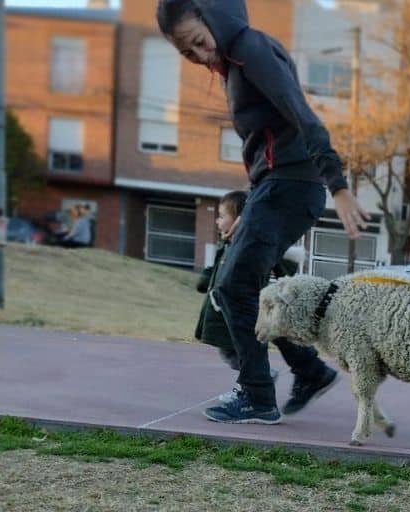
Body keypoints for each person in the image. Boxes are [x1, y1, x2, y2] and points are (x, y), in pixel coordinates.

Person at [157, 0, 369, 425]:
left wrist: (339, 186)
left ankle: (257, 396)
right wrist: (250, 208)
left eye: (199, 42)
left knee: (234, 287)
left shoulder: (250, 50)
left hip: (291, 186)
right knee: (249, 284)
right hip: (275, 188)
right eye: (187, 53)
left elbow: (304, 117)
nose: (200, 57)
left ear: (213, 18)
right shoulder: (235, 63)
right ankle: (308, 371)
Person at [195, 191, 281, 398]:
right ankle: (255, 381)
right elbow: (215, 271)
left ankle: (256, 382)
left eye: (222, 216)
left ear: (239, 220)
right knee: (233, 354)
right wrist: (205, 280)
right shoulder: (227, 245)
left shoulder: (242, 248)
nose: (217, 220)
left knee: (238, 355)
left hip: (234, 315)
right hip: (223, 313)